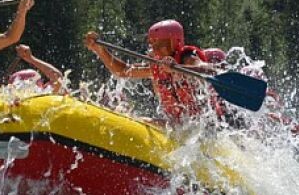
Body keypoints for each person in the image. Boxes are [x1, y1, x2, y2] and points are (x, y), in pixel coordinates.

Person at [84, 19, 221, 123]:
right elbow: (124, 71)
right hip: (175, 125)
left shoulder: (187, 58)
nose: (156, 50)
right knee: (141, 120)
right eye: (153, 44)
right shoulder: (156, 64)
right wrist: (100, 50)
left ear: (176, 43)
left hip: (199, 127)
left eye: (161, 45)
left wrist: (179, 68)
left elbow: (212, 70)